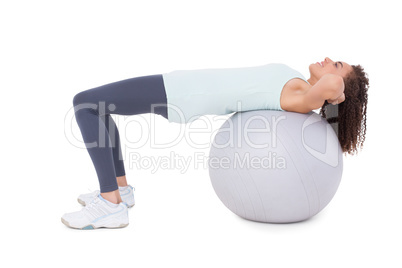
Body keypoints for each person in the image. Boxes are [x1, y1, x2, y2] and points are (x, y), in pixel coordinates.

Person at [61, 57, 369, 229]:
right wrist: (335, 90)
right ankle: (120, 191)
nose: (329, 60)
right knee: (97, 107)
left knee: (86, 104)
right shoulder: (299, 84)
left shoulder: (300, 99)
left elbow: (332, 85)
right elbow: (330, 84)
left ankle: (110, 203)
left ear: (336, 89)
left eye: (338, 64)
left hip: (182, 94)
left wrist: (338, 93)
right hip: (181, 84)